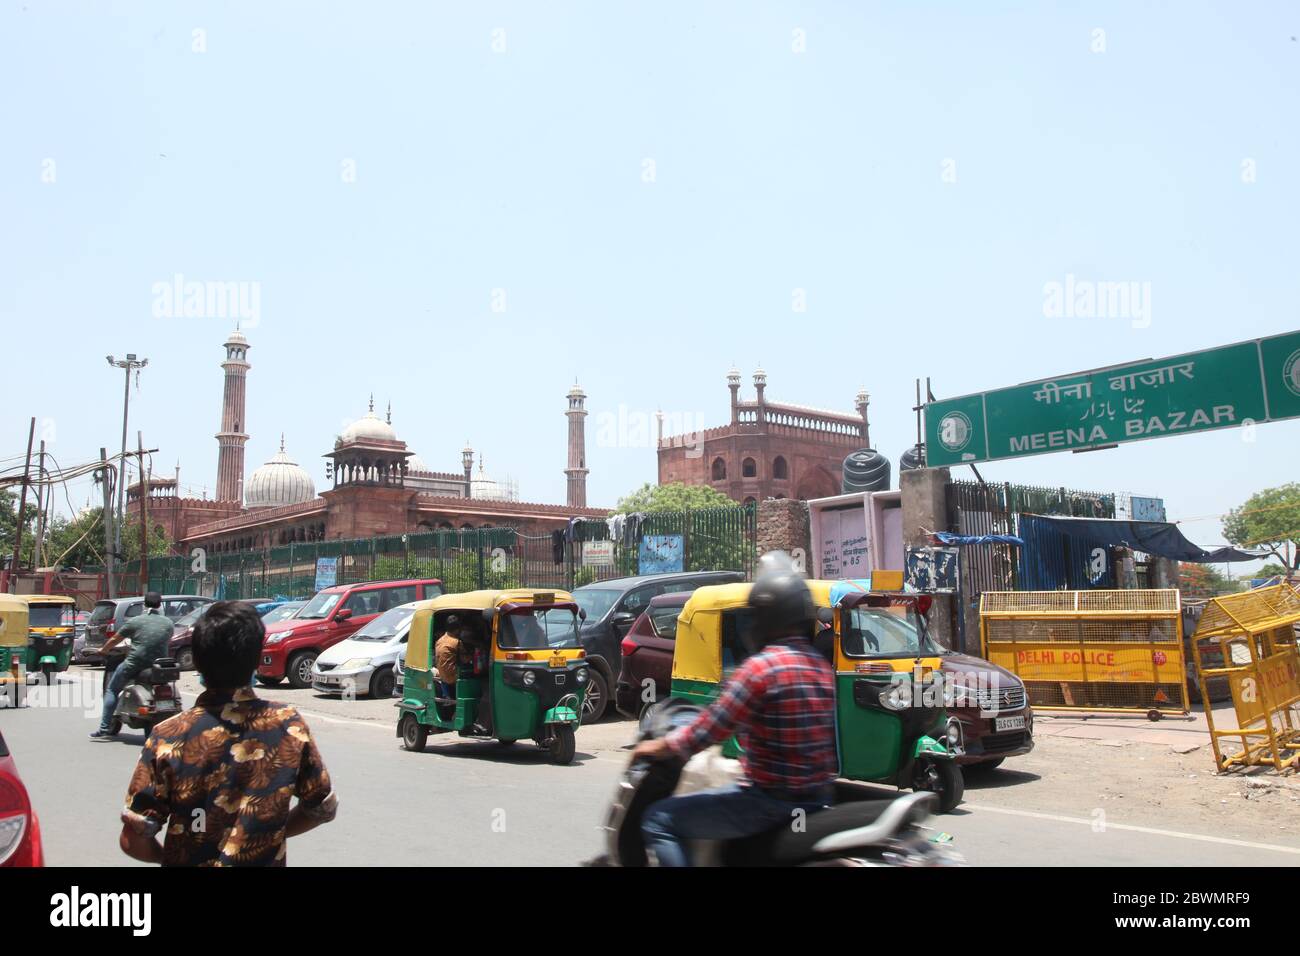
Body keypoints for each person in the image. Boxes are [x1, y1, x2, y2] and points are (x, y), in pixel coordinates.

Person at [634, 552, 837, 867]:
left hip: (768, 802)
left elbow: (707, 732)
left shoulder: (761, 669)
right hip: (817, 798)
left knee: (659, 819)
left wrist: (658, 746)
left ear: (767, 619)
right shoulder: (820, 666)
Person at [118, 601, 337, 866]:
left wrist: (174, 856)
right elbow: (322, 807)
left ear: (196, 662)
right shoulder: (288, 726)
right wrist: (264, 835)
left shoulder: (168, 735)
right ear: (257, 659)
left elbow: (133, 838)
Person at [89, 591, 174, 740]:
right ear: (160, 605)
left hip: (136, 663)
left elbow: (115, 639)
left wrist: (103, 650)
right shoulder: (168, 623)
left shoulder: (135, 621)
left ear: (144, 605)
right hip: (160, 667)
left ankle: (104, 727)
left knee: (112, 689)